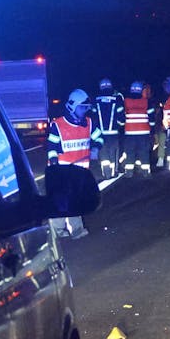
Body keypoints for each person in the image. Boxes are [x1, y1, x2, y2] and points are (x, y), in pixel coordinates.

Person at [46, 88, 98, 237]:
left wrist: (96, 147)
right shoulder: (58, 125)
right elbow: (51, 148)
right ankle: (58, 230)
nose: (84, 111)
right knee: (61, 202)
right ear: (72, 107)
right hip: (62, 170)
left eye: (86, 108)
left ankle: (77, 230)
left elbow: (99, 138)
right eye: (82, 108)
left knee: (75, 200)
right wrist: (55, 166)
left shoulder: (88, 123)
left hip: (79, 172)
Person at [90, 77, 126, 179]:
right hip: (113, 133)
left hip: (100, 134)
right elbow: (121, 118)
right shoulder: (117, 100)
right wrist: (120, 126)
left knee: (104, 154)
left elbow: (93, 117)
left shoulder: (95, 101)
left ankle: (106, 173)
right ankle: (114, 172)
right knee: (113, 153)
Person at [121, 80, 152, 176]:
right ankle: (145, 172)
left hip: (130, 133)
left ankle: (129, 172)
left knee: (129, 152)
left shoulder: (126, 101)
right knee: (144, 152)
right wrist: (153, 130)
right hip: (144, 132)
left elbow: (122, 116)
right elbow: (152, 117)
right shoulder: (147, 102)